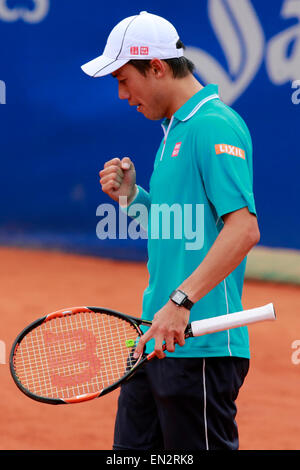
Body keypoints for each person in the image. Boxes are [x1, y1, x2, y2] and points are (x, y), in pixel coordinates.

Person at [81, 11, 260, 451]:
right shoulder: (173, 131)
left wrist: (182, 301)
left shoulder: (213, 125)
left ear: (157, 67)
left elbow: (243, 229)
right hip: (155, 339)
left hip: (200, 348)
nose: (122, 94)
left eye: (124, 80)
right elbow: (179, 228)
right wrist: (133, 198)